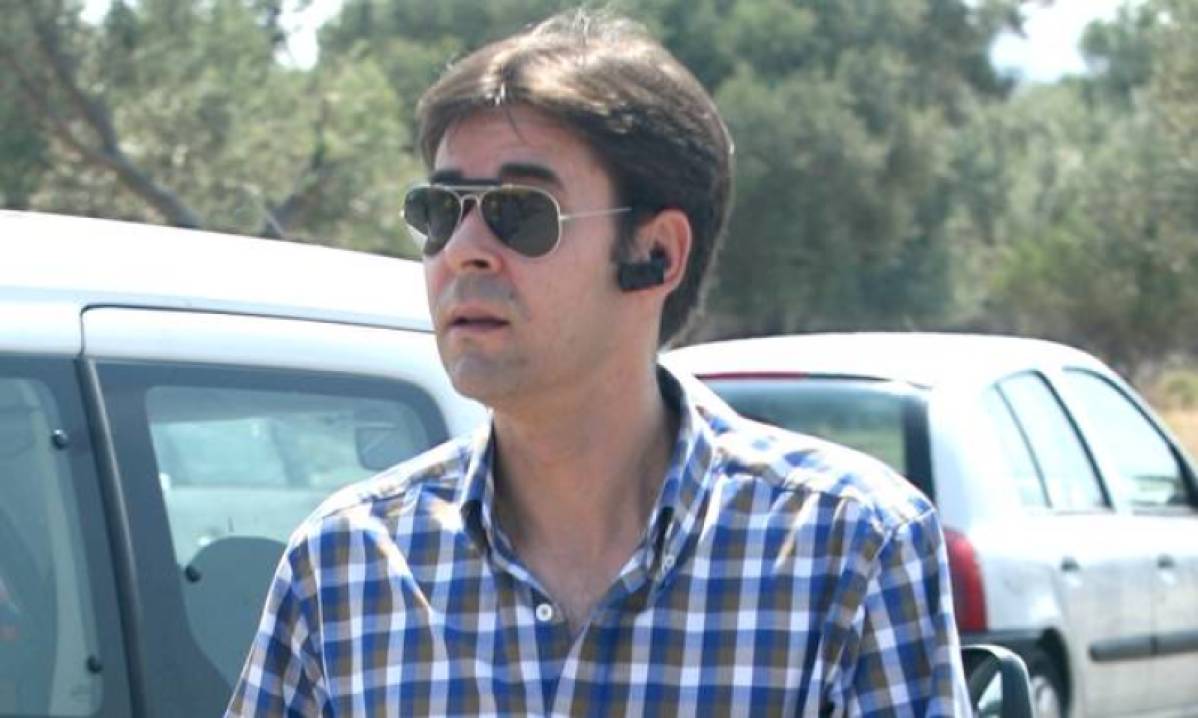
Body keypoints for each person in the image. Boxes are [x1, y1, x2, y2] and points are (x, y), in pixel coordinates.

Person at [227, 9, 970, 716]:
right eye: (440, 211)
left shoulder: (847, 548)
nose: (463, 250)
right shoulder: (347, 566)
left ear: (657, 254)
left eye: (520, 211)